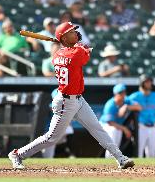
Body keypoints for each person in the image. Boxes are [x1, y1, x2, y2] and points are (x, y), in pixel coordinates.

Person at [8, 21, 134, 169]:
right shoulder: (75, 53)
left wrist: (74, 44)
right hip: (65, 103)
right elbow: (83, 53)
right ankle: (17, 154)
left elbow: (76, 51)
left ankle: (120, 158)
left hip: (78, 99)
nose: (76, 34)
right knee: (51, 138)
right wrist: (80, 46)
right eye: (72, 32)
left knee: (97, 129)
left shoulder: (57, 55)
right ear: (64, 38)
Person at [100, 84, 142, 158]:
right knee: (114, 131)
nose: (122, 95)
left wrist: (126, 106)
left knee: (117, 132)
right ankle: (109, 158)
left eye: (123, 92)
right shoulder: (110, 104)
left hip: (117, 126)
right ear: (115, 94)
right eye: (120, 93)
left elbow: (139, 107)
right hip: (105, 125)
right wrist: (125, 129)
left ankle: (113, 158)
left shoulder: (126, 101)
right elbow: (110, 122)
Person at [129, 74, 155, 158]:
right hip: (140, 126)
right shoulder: (134, 96)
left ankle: (150, 171)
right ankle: (137, 170)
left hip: (153, 126)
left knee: (152, 153)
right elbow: (126, 107)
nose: (149, 84)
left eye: (150, 82)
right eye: (146, 82)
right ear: (142, 83)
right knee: (139, 151)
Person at [42, 88, 75, 158]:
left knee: (69, 129)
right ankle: (67, 151)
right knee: (47, 156)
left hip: (60, 132)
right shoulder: (51, 106)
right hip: (49, 133)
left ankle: (70, 152)